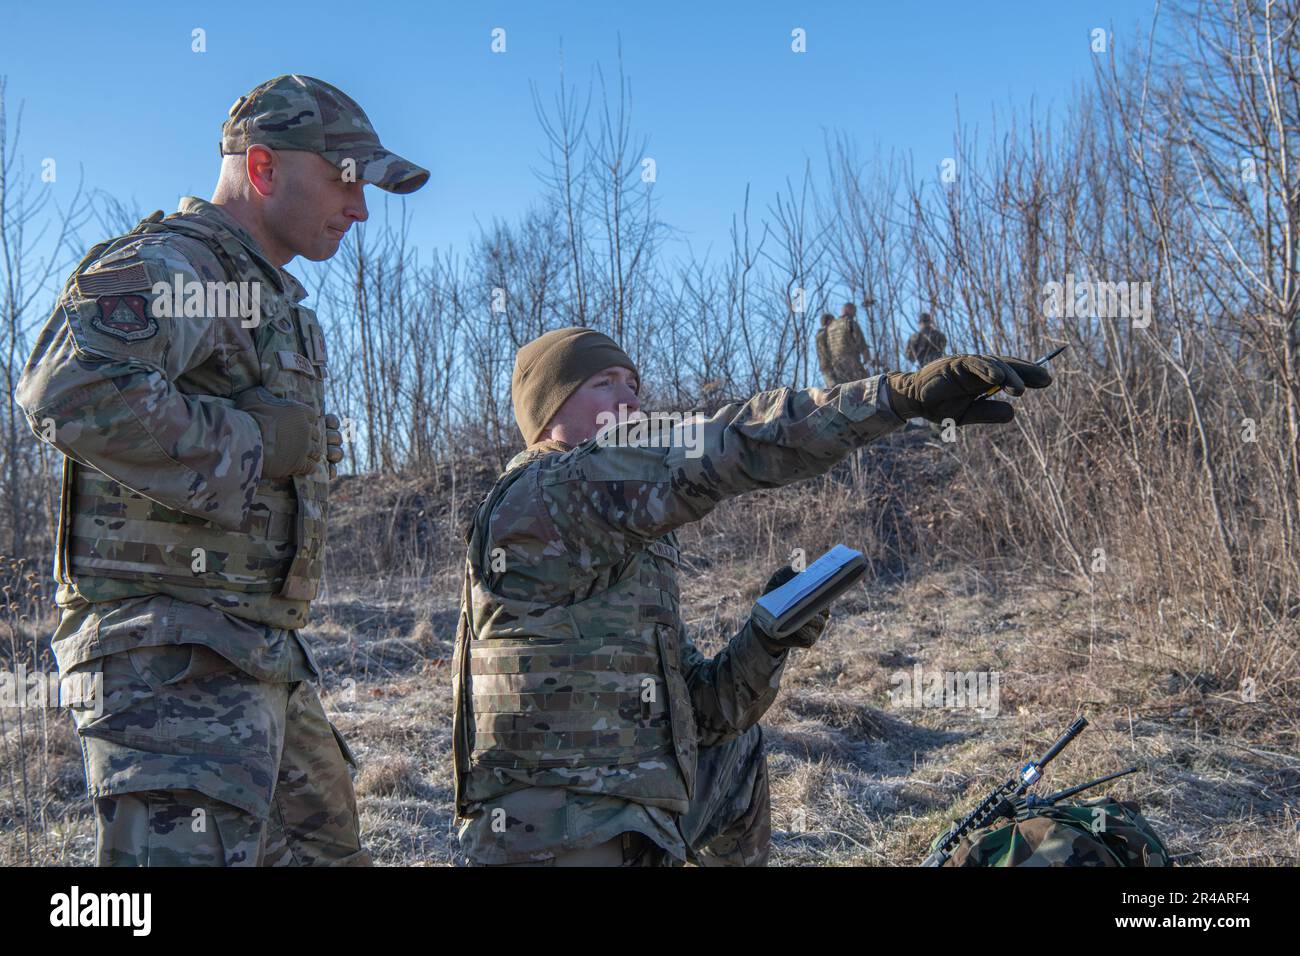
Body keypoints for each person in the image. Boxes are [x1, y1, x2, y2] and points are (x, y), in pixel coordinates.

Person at [15, 74, 428, 866]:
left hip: (254, 656)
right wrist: (252, 443)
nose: (361, 208)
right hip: (172, 666)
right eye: (346, 180)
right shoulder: (179, 265)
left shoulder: (265, 298)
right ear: (264, 169)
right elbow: (68, 388)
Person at [451, 327, 1052, 865]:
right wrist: (896, 398)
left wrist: (768, 638)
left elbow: (707, 716)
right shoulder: (540, 497)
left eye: (634, 384)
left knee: (734, 751)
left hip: (636, 814)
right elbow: (728, 445)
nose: (630, 400)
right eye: (604, 384)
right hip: (553, 833)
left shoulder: (630, 544)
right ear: (548, 409)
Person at [820, 301, 875, 385]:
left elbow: (827, 348)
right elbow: (861, 343)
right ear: (847, 309)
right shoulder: (849, 322)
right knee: (861, 387)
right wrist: (868, 361)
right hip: (851, 362)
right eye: (854, 311)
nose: (854, 314)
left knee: (843, 389)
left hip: (836, 364)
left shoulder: (831, 326)